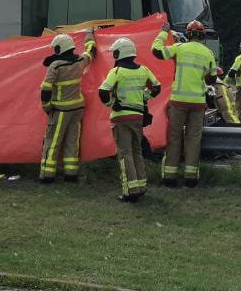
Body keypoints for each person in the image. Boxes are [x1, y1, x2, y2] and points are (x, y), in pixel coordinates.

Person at [151, 20, 216, 188]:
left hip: (178, 102)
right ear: (202, 36)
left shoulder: (179, 48)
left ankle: (170, 177)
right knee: (193, 139)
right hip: (198, 103)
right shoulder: (208, 53)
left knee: (174, 137)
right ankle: (191, 177)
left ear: (188, 34)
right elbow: (212, 79)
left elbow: (156, 51)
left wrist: (164, 32)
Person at [98, 37, 161, 202]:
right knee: (137, 151)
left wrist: (112, 104)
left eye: (115, 52)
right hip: (138, 117)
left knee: (125, 153)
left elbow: (103, 91)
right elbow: (157, 87)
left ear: (120, 53)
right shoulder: (144, 70)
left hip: (121, 118)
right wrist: (144, 97)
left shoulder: (117, 72)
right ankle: (141, 187)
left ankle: (130, 191)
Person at [38, 29, 96, 183]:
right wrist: (90, 35)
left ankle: (47, 175)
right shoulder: (80, 61)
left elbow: (46, 89)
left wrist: (47, 107)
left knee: (53, 142)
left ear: (60, 49)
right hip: (77, 109)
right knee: (72, 141)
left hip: (60, 110)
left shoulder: (56, 66)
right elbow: (91, 51)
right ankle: (71, 174)